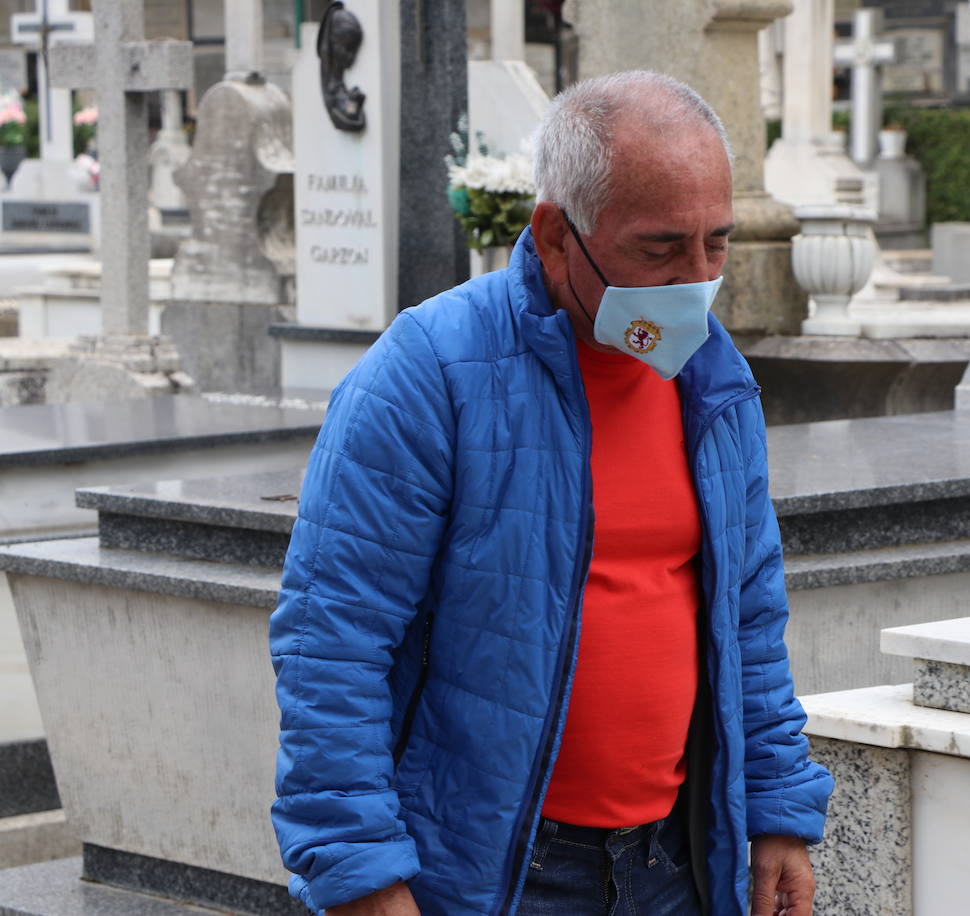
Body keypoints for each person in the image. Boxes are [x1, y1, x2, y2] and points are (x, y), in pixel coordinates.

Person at [269, 70, 833, 916]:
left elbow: (748, 618)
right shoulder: (430, 373)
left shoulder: (713, 381)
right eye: (660, 248)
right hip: (497, 875)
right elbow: (333, 640)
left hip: (677, 865)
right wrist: (359, 872)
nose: (697, 280)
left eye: (717, 243)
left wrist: (779, 810)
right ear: (557, 235)